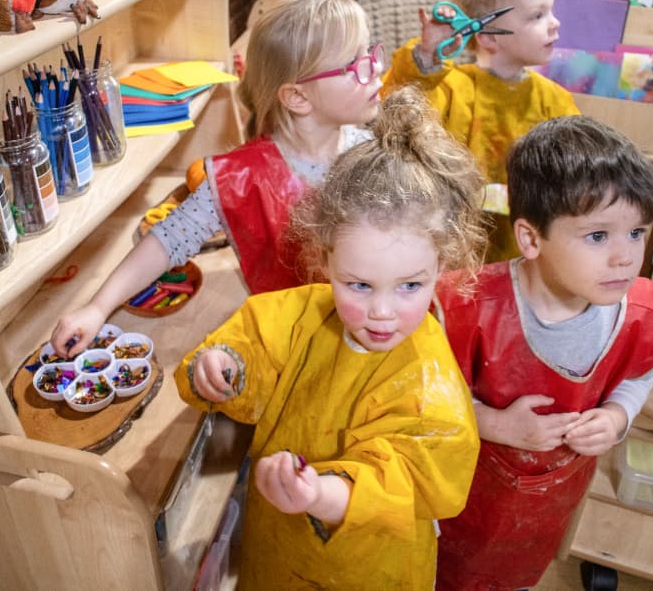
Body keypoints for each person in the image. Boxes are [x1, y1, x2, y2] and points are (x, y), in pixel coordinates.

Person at [174, 86, 487, 589]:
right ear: (325, 260)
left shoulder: (430, 385)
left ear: (442, 266)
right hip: (278, 548)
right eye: (358, 285)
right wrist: (220, 368)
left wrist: (318, 495)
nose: (382, 311)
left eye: (410, 285)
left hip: (366, 566)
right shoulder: (300, 313)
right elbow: (251, 342)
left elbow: (407, 479)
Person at [50, 0, 385, 357]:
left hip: (376, 331)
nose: (378, 70)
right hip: (292, 343)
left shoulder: (373, 152)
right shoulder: (239, 178)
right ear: (298, 98)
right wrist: (97, 308)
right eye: (357, 64)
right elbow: (165, 241)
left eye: (372, 54)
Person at [433, 115, 653, 590]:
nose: (626, 256)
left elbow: (635, 377)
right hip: (460, 505)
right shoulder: (463, 306)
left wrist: (616, 417)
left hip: (546, 511)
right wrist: (496, 423)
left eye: (637, 232)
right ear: (530, 238)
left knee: (518, 576)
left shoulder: (643, 313)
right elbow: (427, 398)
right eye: (598, 235)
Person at [382, 0, 579, 263]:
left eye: (551, 11)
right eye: (537, 16)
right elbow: (396, 106)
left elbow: (576, 169)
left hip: (526, 254)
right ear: (488, 37)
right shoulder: (449, 86)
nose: (555, 23)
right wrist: (428, 55)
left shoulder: (555, 100)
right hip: (450, 250)